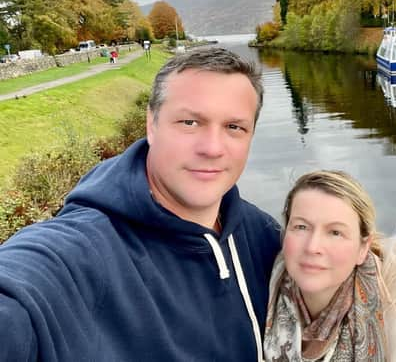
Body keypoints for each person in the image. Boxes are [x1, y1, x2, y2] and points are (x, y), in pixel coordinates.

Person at [0, 47, 281, 361]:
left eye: (234, 127)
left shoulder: (265, 235)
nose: (213, 148)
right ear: (151, 124)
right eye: (190, 122)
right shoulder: (83, 252)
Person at [264, 170, 396, 362]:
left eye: (335, 232)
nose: (313, 247)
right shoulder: (256, 297)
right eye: (301, 227)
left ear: (362, 249)